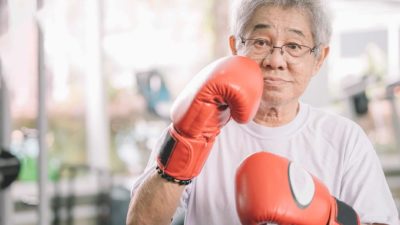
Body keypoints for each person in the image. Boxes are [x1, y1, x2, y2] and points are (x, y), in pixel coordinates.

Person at [126, 0, 400, 224]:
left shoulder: (344, 138)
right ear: (236, 48)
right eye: (260, 42)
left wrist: (329, 217)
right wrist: (186, 144)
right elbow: (141, 222)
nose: (275, 61)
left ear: (319, 59)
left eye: (294, 46)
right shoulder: (199, 126)